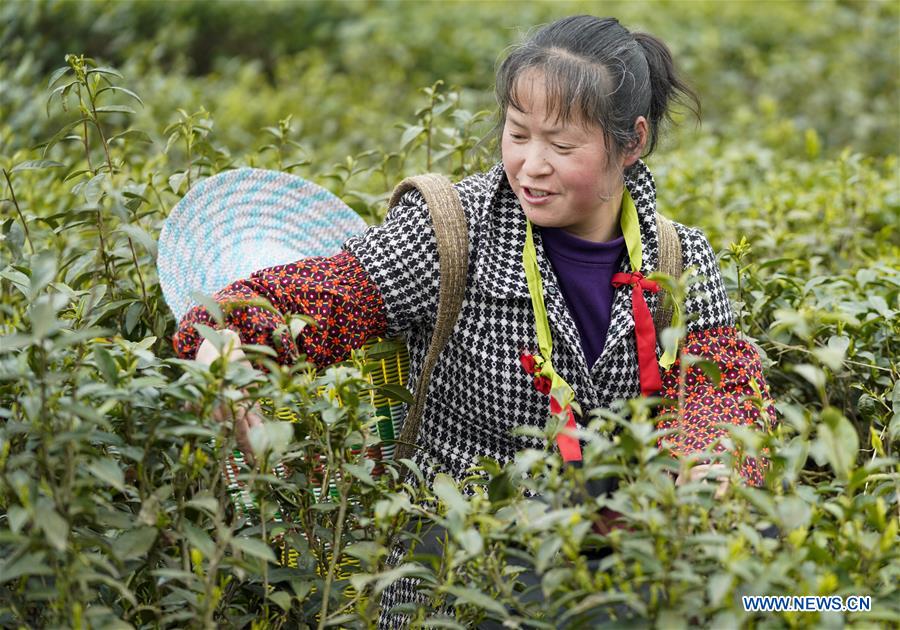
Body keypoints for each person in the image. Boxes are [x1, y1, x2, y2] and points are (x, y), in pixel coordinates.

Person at [173, 15, 776, 627]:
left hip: (627, 565)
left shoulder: (677, 256)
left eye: (562, 146)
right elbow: (320, 295)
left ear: (632, 142)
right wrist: (223, 340)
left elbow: (718, 383)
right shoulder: (453, 232)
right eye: (518, 134)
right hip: (467, 567)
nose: (531, 165)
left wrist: (712, 459)